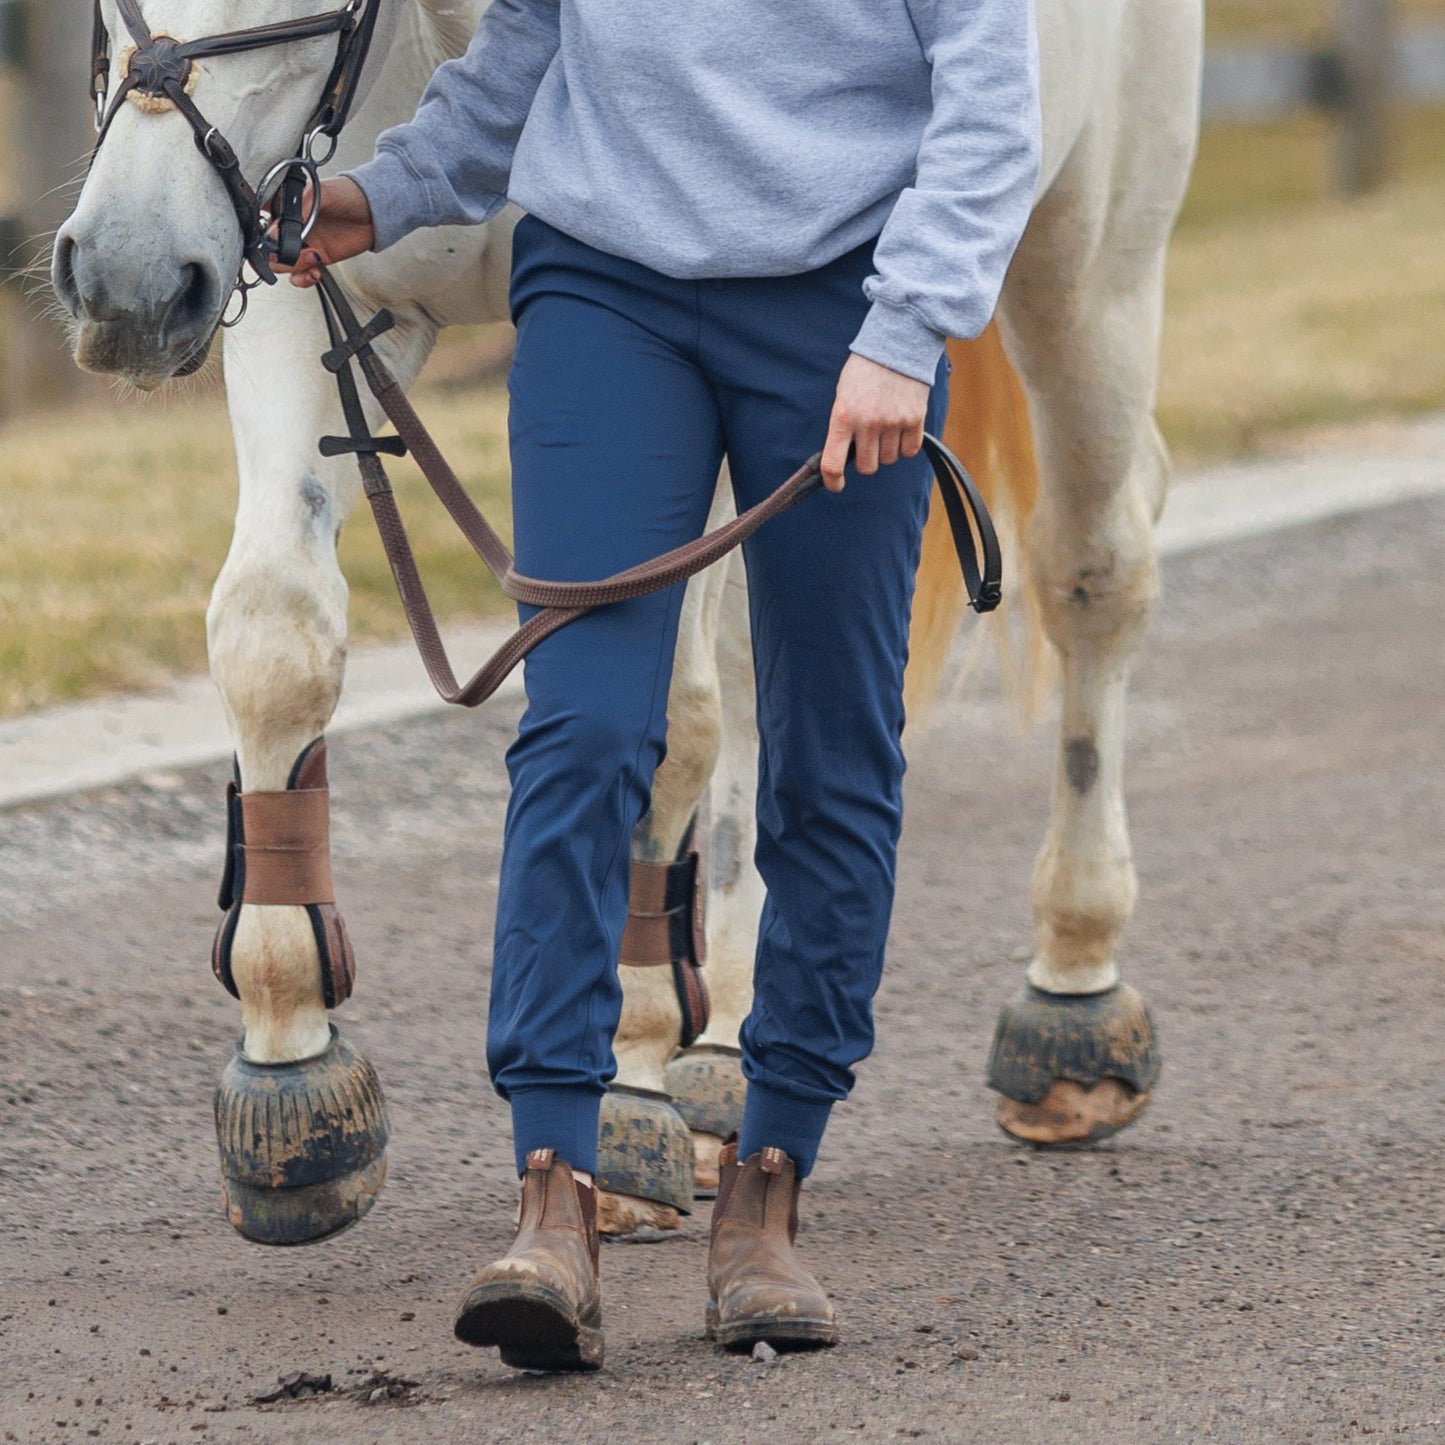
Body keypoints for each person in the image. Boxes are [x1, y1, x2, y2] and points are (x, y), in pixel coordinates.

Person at [289, 0, 1040, 1373]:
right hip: (606, 287)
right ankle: (551, 1195)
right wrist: (373, 194)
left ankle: (764, 1187)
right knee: (581, 725)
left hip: (841, 304)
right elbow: (523, 49)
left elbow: (992, 97)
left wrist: (909, 327)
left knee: (831, 754)